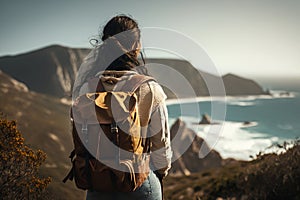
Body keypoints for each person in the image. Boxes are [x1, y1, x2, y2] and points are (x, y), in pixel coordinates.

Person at [73, 15, 172, 200]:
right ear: (137, 47)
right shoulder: (149, 88)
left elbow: (81, 135)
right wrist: (159, 174)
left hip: (98, 182)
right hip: (139, 184)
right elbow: (161, 146)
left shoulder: (87, 88)